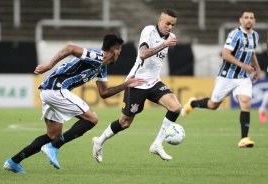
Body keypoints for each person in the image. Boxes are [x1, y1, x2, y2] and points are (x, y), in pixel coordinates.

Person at [3, 34, 145, 174]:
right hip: (55, 89)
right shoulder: (97, 56)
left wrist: (126, 84)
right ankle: (53, 147)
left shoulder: (102, 67)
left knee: (53, 135)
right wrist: (49, 65)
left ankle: (13, 162)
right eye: (118, 53)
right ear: (115, 52)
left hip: (49, 91)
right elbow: (70, 48)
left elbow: (104, 93)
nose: (118, 57)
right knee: (92, 119)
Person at [92, 8, 181, 163]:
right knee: (125, 123)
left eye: (173, 25)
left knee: (176, 107)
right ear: (160, 21)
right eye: (168, 24)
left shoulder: (171, 36)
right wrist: (164, 44)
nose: (170, 28)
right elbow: (143, 54)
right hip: (137, 82)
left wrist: (167, 42)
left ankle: (157, 144)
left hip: (154, 82)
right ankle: (99, 141)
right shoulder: (149, 31)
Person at [181, 9, 261, 148]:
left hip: (242, 77)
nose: (248, 20)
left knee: (246, 102)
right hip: (227, 76)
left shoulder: (255, 36)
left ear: (254, 21)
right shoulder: (235, 34)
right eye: (246, 17)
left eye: (251, 18)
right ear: (240, 20)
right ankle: (193, 104)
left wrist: (257, 68)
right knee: (213, 105)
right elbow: (225, 54)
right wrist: (243, 65)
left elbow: (251, 52)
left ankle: (244, 138)